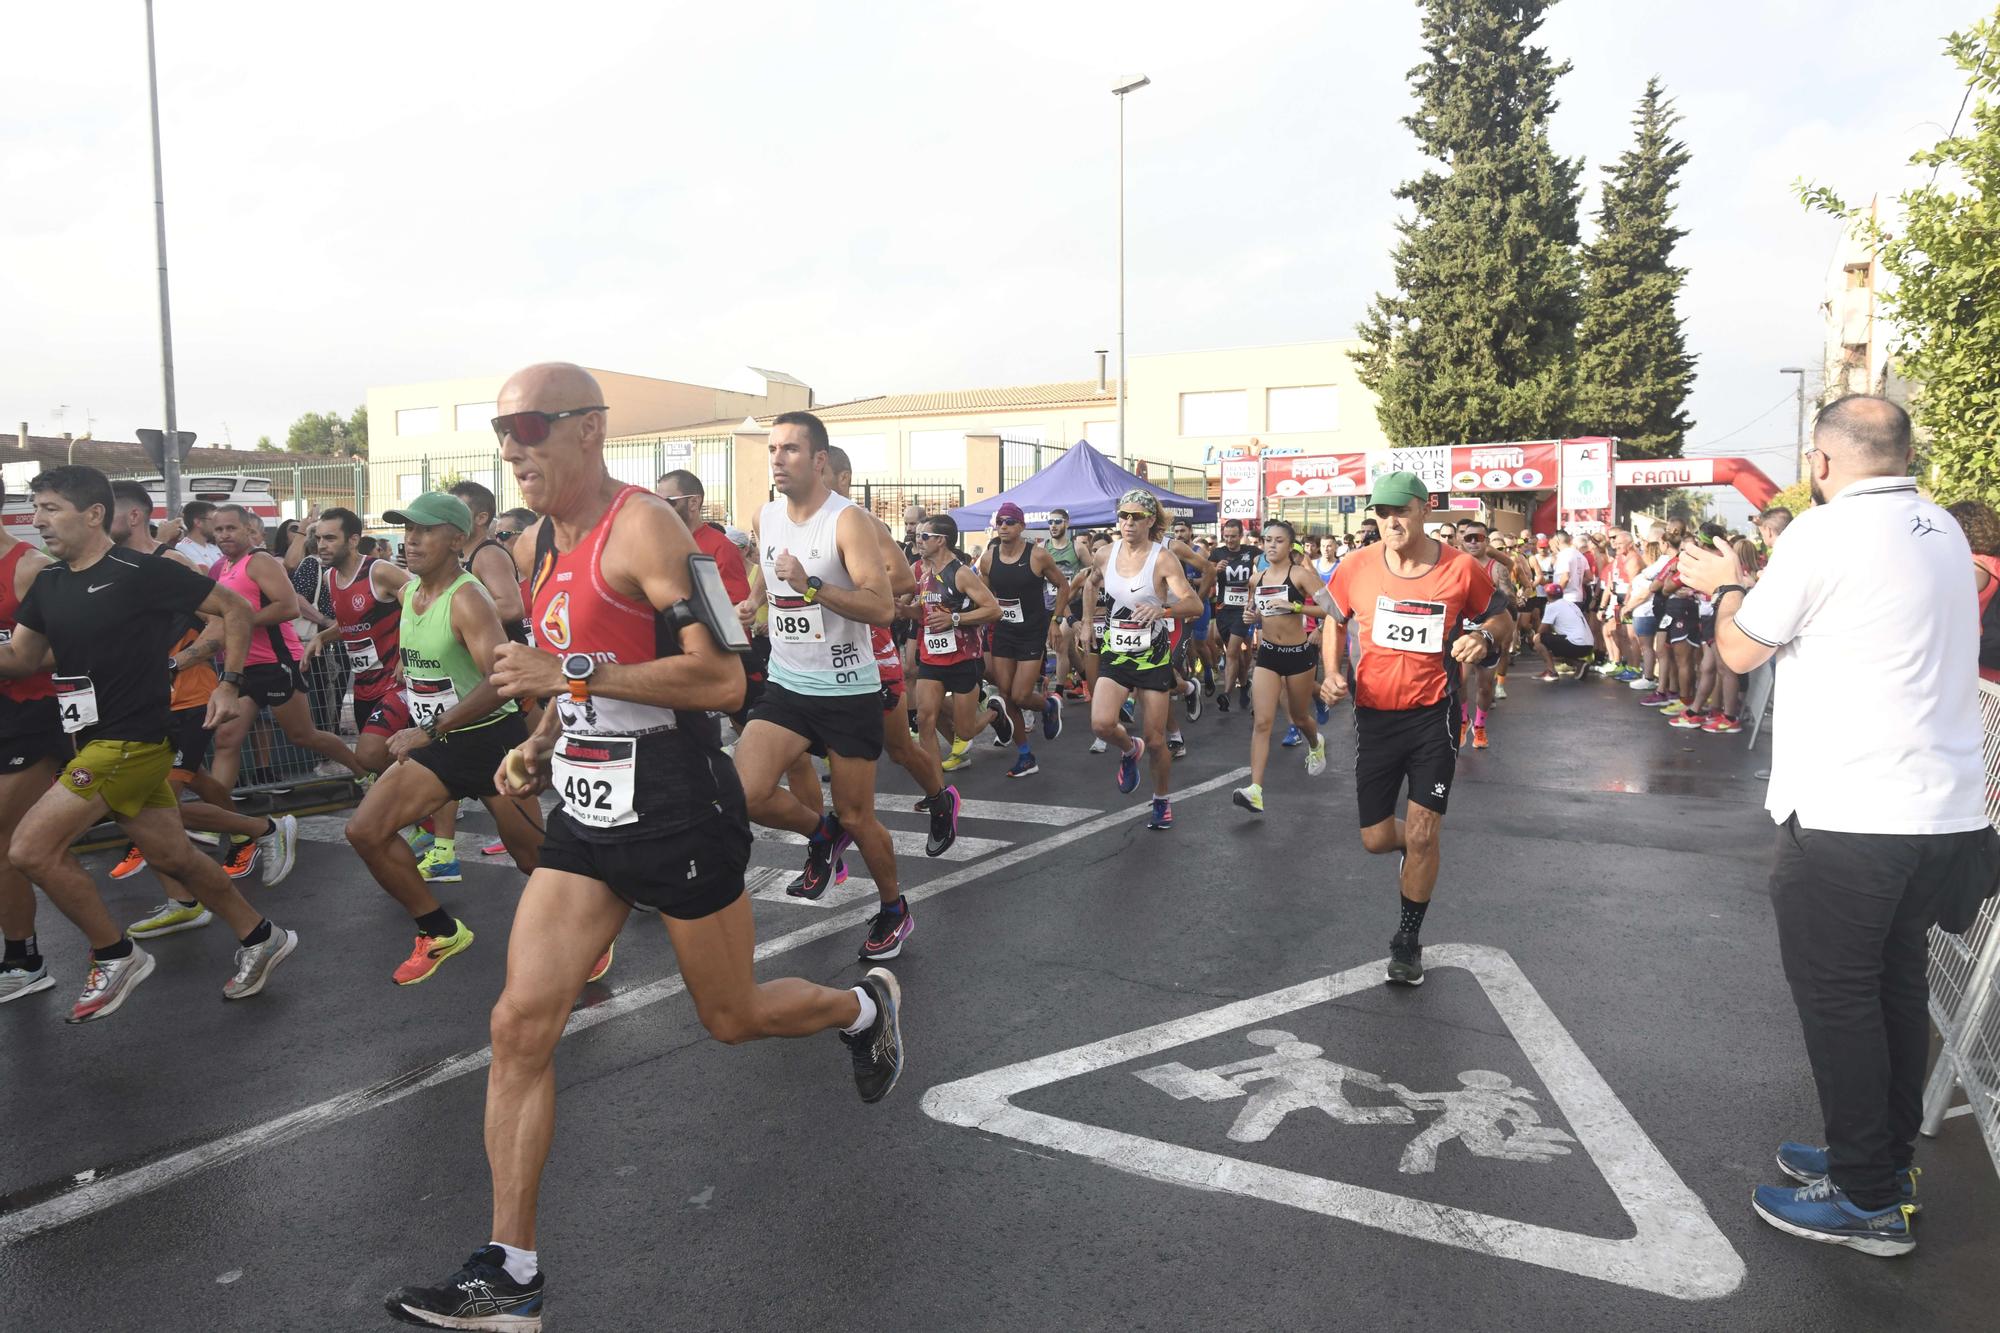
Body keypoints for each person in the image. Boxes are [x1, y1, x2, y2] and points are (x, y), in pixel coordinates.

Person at [388, 368, 903, 1330]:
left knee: (732, 1014)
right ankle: (510, 1273)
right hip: (588, 807)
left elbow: (720, 680)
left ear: (589, 430)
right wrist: (539, 743)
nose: (513, 447)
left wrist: (568, 672)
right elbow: (571, 679)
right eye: (503, 430)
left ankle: (859, 1004)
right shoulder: (539, 544)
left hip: (675, 799)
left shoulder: (646, 529)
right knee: (518, 1025)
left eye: (533, 426)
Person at [1678, 395, 1989, 1257]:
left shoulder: (1822, 533)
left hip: (1853, 815)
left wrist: (1724, 584)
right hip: (1940, 814)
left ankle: (1866, 1201)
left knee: (1840, 999)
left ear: (1822, 462)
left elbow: (1740, 648)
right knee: (1891, 986)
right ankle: (1881, 1163)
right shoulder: (1941, 529)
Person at [0, 466, 298, 1022]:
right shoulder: (49, 584)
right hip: (87, 737)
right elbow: (20, 659)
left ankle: (116, 955)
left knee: (28, 849)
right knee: (173, 855)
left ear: (93, 515)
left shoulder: (139, 571)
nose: (38, 521)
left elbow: (232, 610)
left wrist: (230, 684)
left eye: (51, 509)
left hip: (129, 740)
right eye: (35, 508)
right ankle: (262, 935)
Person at [343, 493, 553, 985]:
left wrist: (431, 727)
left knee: (533, 859)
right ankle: (439, 931)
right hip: (443, 744)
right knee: (365, 831)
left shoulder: (467, 597)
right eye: (406, 530)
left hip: (492, 741)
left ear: (456, 539)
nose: (410, 540)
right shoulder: (410, 592)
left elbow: (501, 679)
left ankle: (590, 931)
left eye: (425, 530)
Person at [1320, 472, 1508, 987]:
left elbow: (1501, 619)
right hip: (1375, 717)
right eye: (1381, 512)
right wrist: (1333, 672)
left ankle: (1407, 940)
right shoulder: (1355, 566)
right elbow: (1333, 620)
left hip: (1433, 717)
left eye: (1400, 510)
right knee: (1377, 839)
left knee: (1425, 830)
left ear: (1425, 510)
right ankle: (1416, 848)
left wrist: (1486, 642)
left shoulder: (1461, 568)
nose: (1391, 521)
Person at [774, 445, 960, 959]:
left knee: (898, 748)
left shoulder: (860, 523)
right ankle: (823, 844)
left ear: (837, 475)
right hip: (808, 663)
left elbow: (900, 582)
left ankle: (941, 798)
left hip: (866, 655)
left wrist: (837, 582)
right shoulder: (787, 521)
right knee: (788, 757)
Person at [104, 483, 298, 936]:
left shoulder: (170, 564)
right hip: (144, 705)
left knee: (155, 809)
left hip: (189, 698)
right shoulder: (112, 567)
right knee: (159, 798)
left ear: (133, 516)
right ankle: (198, 885)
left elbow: (222, 620)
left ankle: (260, 831)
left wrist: (178, 664)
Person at [733, 410, 905, 907]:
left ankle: (893, 906)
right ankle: (823, 835)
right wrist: (754, 601)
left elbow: (882, 606)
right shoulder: (764, 516)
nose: (777, 460)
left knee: (859, 816)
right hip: (788, 685)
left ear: (818, 459)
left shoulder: (846, 521)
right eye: (772, 450)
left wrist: (810, 584)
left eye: (789, 449)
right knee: (747, 791)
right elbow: (770, 570)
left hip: (847, 690)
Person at [205, 504, 368, 790]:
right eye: (218, 529)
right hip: (242, 667)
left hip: (275, 663)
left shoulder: (259, 561)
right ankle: (219, 820)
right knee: (226, 740)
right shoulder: (226, 567)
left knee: (303, 735)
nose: (224, 535)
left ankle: (364, 773)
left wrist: (241, 623)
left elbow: (289, 607)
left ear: (249, 530)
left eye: (231, 528)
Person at [1080, 490, 1202, 830]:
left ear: (1151, 520)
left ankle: (1161, 799)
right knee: (1102, 724)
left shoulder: (1162, 559)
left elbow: (1194, 605)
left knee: (1156, 740)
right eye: (1123, 516)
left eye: (1136, 517)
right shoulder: (1105, 554)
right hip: (1116, 653)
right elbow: (1090, 585)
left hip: (1152, 657)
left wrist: (1163, 608)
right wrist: (1088, 623)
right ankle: (1127, 748)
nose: (1128, 522)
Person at [0, 477, 69, 1003]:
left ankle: (25, 960)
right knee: (151, 827)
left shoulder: (31, 567)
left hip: (33, 712)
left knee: (8, 841)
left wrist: (15, 659)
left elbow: (71, 648)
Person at [1231, 518, 1336, 814]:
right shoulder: (1257, 578)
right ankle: (1256, 790)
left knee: (1300, 717)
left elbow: (1332, 609)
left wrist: (1296, 607)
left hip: (1299, 654)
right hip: (1268, 654)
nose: (1272, 545)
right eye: (1267, 540)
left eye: (1278, 540)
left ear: (1291, 546)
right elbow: (1252, 611)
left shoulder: (1300, 575)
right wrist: (1251, 618)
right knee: (1262, 722)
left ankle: (1315, 743)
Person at [912, 514, 1010, 773]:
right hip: (932, 659)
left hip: (963, 659)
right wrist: (905, 611)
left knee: (965, 731)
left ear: (941, 541)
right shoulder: (925, 575)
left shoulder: (961, 573)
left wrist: (954, 618)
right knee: (924, 719)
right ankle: (935, 791)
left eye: (924, 536)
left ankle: (994, 712)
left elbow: (994, 610)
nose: (918, 541)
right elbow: (925, 615)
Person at [979, 501, 1071, 776]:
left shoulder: (1037, 556)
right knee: (1007, 696)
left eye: (1009, 521)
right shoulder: (988, 558)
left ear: (1021, 526)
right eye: (1000, 522)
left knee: (1020, 694)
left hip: (1032, 631)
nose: (1004, 526)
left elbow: (1063, 585)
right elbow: (984, 593)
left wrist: (1055, 620)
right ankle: (1025, 756)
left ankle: (1048, 705)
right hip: (1004, 631)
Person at [1452, 520, 1515, 749]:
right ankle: (1462, 721)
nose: (1472, 542)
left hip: (1489, 634)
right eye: (1468, 538)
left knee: (1485, 686)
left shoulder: (1496, 568)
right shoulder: (1455, 565)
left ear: (1486, 541)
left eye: (1478, 538)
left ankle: (1479, 726)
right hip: (1465, 633)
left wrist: (1499, 596)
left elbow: (1508, 601)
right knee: (1459, 681)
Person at [1211, 520, 1259, 712]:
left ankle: (1227, 694)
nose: (1229, 540)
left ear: (1240, 535)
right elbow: (1207, 576)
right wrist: (1215, 570)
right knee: (1232, 652)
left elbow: (1265, 569)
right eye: (1227, 536)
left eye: (1233, 536)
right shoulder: (1217, 553)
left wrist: (1253, 596)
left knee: (1232, 652)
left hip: (1243, 610)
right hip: (1223, 608)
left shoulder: (1252, 552)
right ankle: (1245, 683)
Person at [171, 499, 222, 570]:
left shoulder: (214, 547)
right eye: (214, 520)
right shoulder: (183, 548)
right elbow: (205, 575)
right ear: (198, 522)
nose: (218, 524)